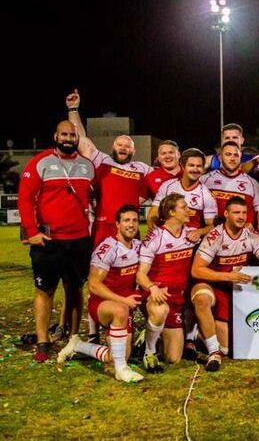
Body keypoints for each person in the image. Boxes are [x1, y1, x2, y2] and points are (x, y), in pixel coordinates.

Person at [18, 119, 95, 362]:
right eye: (64, 134)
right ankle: (43, 340)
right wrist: (31, 230)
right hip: (49, 241)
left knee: (75, 290)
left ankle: (73, 337)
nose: (68, 139)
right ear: (55, 136)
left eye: (72, 135)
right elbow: (25, 198)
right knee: (44, 290)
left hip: (79, 240)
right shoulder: (40, 162)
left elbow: (98, 197)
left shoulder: (87, 166)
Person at [190, 196, 259, 371]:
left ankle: (198, 332)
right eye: (236, 213)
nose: (241, 217)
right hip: (210, 282)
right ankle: (213, 353)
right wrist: (227, 277)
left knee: (229, 348)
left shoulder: (251, 235)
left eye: (244, 213)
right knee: (202, 299)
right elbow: (197, 270)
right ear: (226, 214)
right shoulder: (215, 236)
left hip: (231, 288)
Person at [56, 204, 143, 382]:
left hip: (125, 305)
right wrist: (123, 300)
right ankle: (121, 371)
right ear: (117, 224)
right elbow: (94, 285)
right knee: (120, 311)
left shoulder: (139, 247)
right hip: (102, 304)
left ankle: (78, 345)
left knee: (116, 355)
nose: (131, 224)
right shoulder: (108, 248)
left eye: (134, 220)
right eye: (126, 220)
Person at [66, 89, 150, 247]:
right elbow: (80, 139)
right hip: (104, 227)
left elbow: (163, 180)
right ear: (113, 146)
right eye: (120, 144)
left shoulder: (142, 168)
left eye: (127, 146)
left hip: (131, 228)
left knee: (129, 269)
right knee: (100, 268)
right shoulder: (102, 160)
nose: (123, 148)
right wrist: (73, 109)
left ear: (134, 151)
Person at [136, 194, 195, 370]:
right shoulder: (155, 237)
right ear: (171, 212)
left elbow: (211, 229)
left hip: (178, 300)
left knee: (173, 358)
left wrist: (201, 231)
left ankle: (151, 332)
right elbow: (141, 274)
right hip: (157, 295)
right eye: (183, 207)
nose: (188, 210)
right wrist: (153, 288)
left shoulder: (191, 234)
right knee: (160, 309)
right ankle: (149, 352)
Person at [148, 149, 217, 239]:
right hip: (165, 239)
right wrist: (152, 222)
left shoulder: (207, 195)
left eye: (199, 166)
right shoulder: (168, 186)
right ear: (183, 167)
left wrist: (199, 232)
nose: (195, 169)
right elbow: (154, 211)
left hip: (189, 243)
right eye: (191, 165)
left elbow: (211, 226)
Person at [201, 142, 259, 230]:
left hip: (243, 240)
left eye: (236, 155)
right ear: (220, 158)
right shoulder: (205, 180)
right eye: (228, 155)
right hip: (213, 237)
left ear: (240, 158)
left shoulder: (253, 184)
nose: (232, 158)